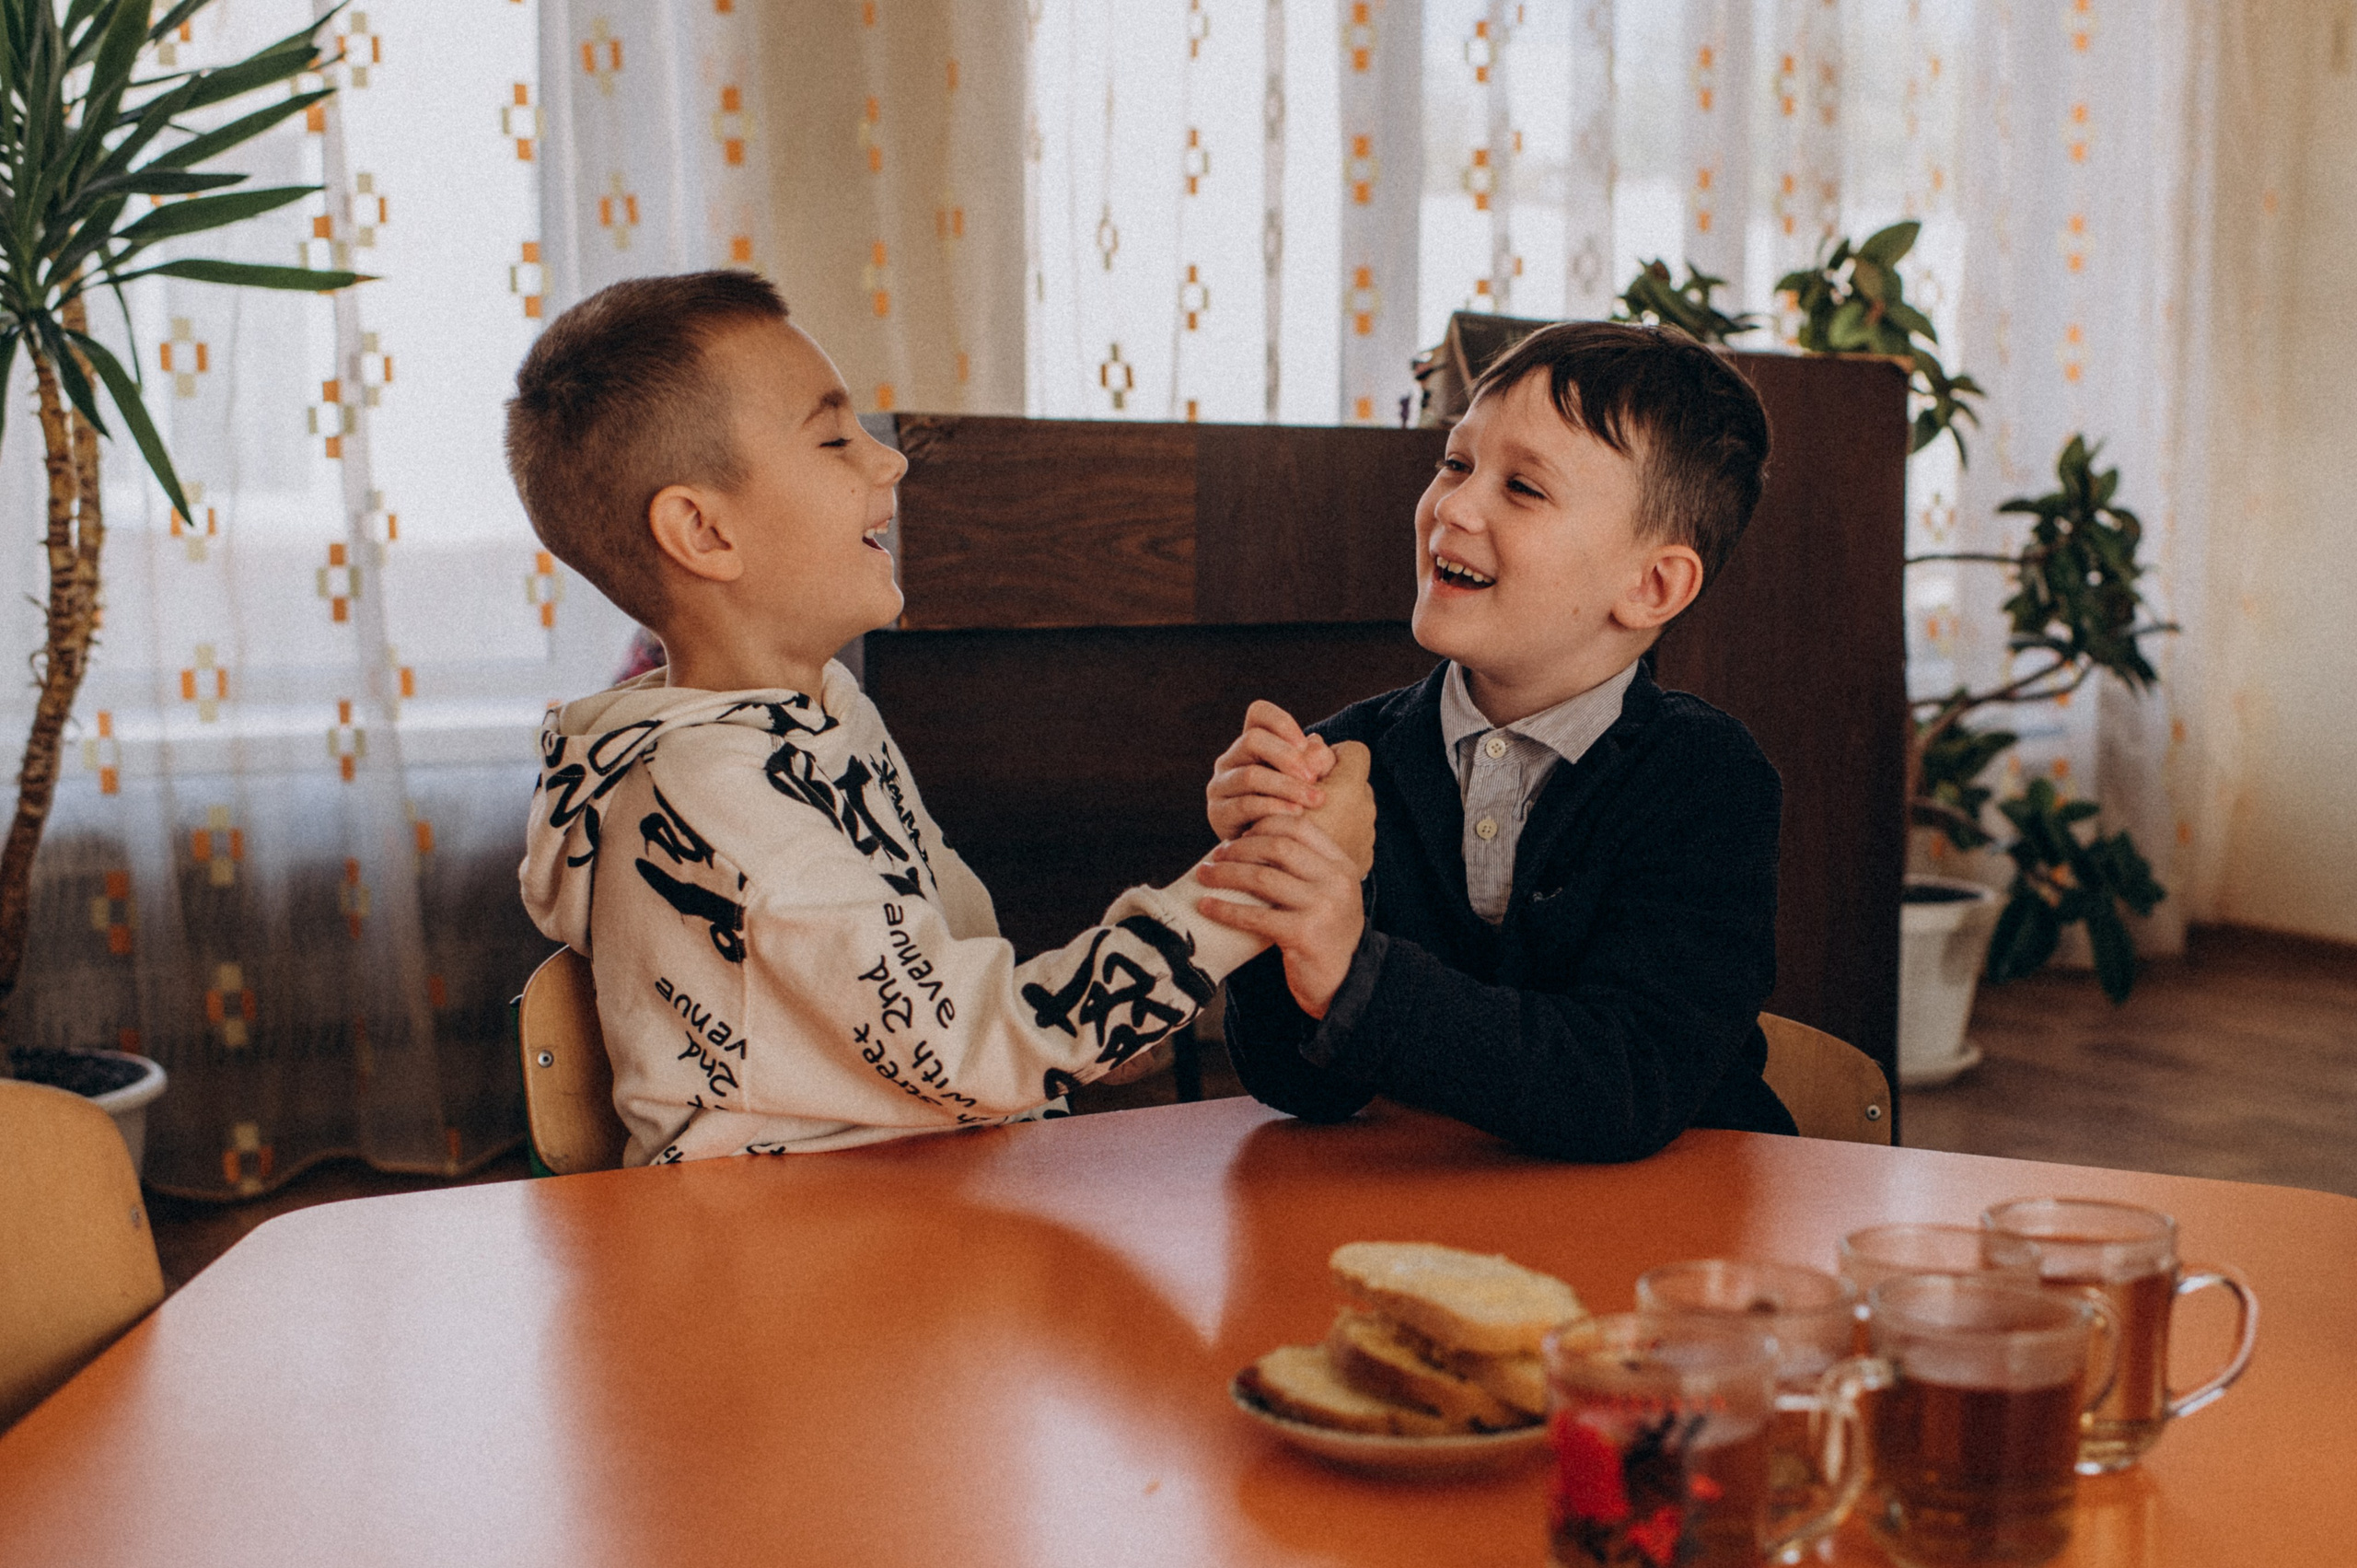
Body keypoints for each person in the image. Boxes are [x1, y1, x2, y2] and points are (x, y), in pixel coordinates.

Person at [507, 271, 1370, 1164]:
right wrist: (1275, 882)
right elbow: (960, 1043)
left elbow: (940, 979)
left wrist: (1081, 1034)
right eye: (834, 437)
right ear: (704, 532)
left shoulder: (826, 717)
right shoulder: (709, 792)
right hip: (781, 1254)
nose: (889, 459)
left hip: (922, 1190)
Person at [1193, 320, 1796, 1161]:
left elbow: (1625, 1078)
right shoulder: (1342, 758)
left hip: (1667, 1238)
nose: (1454, 505)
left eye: (1524, 489)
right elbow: (1297, 1085)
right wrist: (1276, 891)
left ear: (1652, 584)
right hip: (1427, 1222)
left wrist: (1354, 975)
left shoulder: (1707, 780)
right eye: (1456, 462)